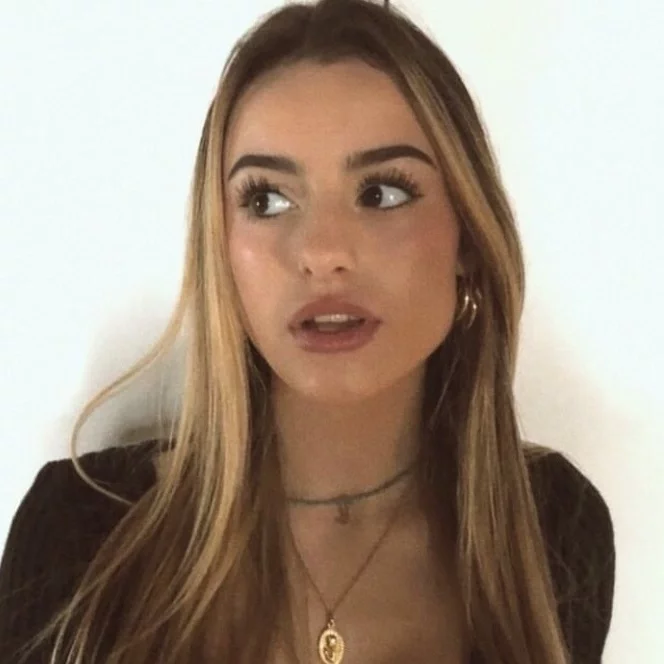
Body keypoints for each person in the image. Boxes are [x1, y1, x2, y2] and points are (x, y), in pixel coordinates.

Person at [0, 0, 615, 662]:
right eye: (266, 199)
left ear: (468, 234)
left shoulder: (551, 529)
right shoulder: (81, 538)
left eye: (382, 193)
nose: (322, 252)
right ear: (219, 244)